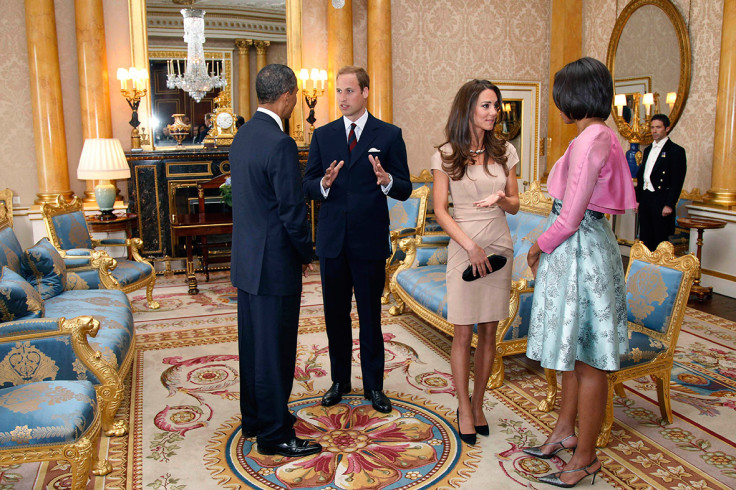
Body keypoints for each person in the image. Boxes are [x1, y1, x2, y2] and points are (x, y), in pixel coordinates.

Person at [524, 57, 637, 487]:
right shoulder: (599, 135)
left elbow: (570, 216)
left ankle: (586, 458)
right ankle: (564, 432)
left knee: (588, 358)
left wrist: (538, 245)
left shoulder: (592, 138)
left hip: (581, 252)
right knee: (572, 353)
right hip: (585, 247)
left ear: (572, 96)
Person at [303, 66, 411, 414]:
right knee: (335, 316)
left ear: (365, 91)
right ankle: (339, 381)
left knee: (370, 318)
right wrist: (324, 184)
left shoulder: (389, 134)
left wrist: (387, 180)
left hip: (368, 243)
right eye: (338, 91)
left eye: (349, 91)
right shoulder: (323, 135)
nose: (342, 98)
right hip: (333, 243)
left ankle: (375, 387)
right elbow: (308, 184)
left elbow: (406, 188)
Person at [229, 64, 321, 458]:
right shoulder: (280, 142)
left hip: (248, 262)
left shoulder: (244, 135)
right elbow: (291, 211)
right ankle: (273, 433)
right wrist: (307, 252)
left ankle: (254, 417)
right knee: (275, 349)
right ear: (288, 97)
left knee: (253, 344)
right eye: (295, 96)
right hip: (275, 264)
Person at [430, 79, 519, 445]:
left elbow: (516, 203)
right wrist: (469, 246)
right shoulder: (445, 154)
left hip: (499, 245)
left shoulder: (505, 151)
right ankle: (463, 409)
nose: (493, 112)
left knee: (488, 333)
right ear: (468, 108)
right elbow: (439, 210)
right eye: (486, 105)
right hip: (464, 245)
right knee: (463, 331)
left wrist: (501, 198)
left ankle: (479, 404)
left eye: (496, 106)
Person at [635, 113, 687, 251]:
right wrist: (638, 199)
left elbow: (677, 180)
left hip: (661, 200)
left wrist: (669, 204)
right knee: (645, 239)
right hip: (646, 198)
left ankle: (658, 271)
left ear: (667, 128)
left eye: (658, 127)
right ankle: (646, 270)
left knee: (659, 241)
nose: (654, 131)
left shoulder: (676, 151)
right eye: (652, 127)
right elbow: (642, 176)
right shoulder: (647, 150)